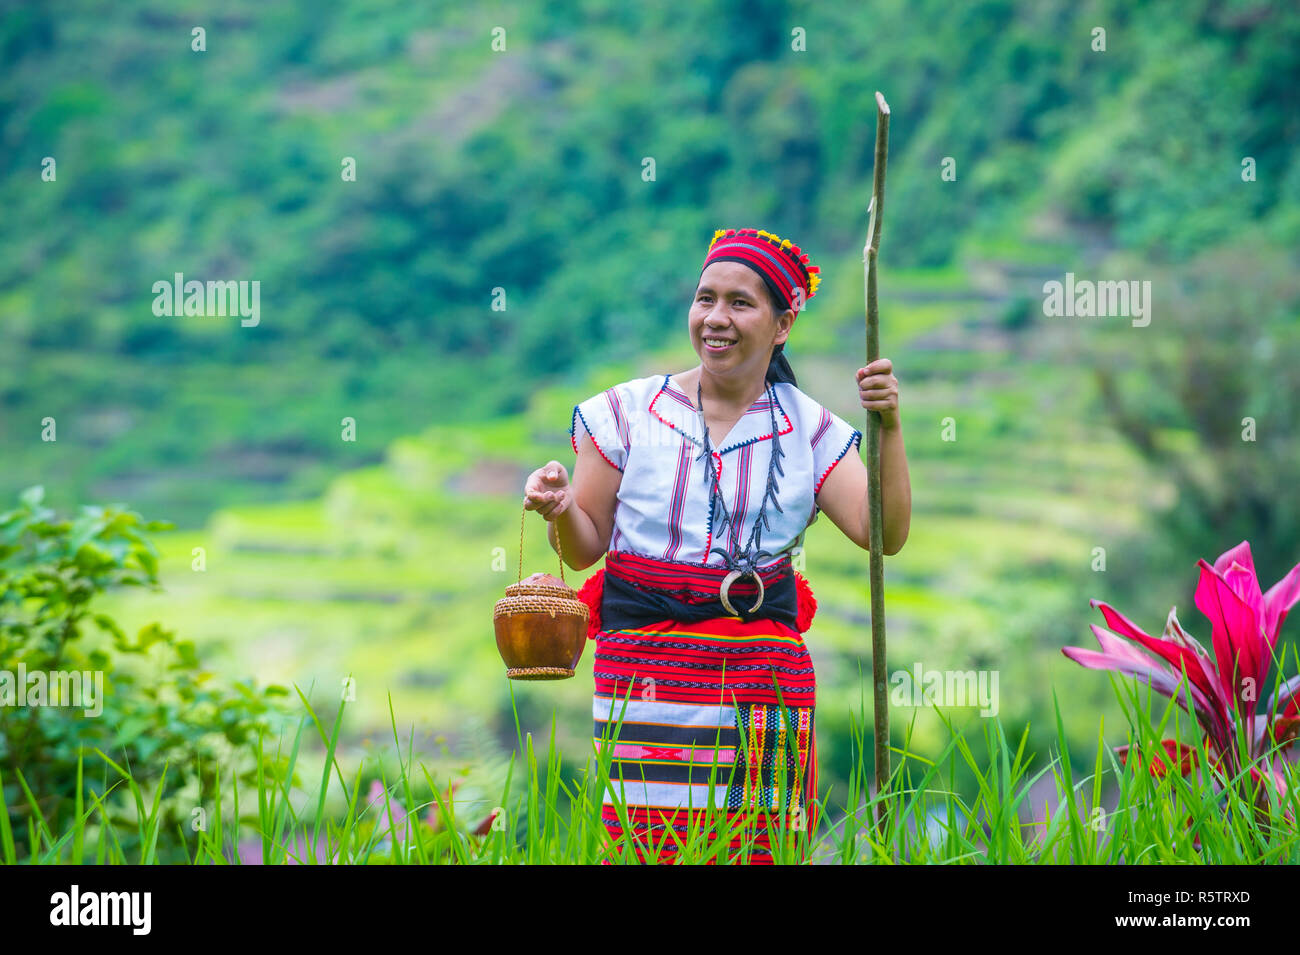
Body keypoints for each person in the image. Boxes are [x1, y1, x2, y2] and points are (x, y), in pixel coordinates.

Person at [523, 227, 912, 864]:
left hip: (765, 680)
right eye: (706, 299)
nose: (715, 319)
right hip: (646, 675)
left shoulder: (811, 430)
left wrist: (889, 425)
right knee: (646, 846)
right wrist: (562, 508)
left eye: (740, 303)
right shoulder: (626, 413)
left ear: (782, 324)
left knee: (761, 849)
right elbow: (583, 550)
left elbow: (884, 534)